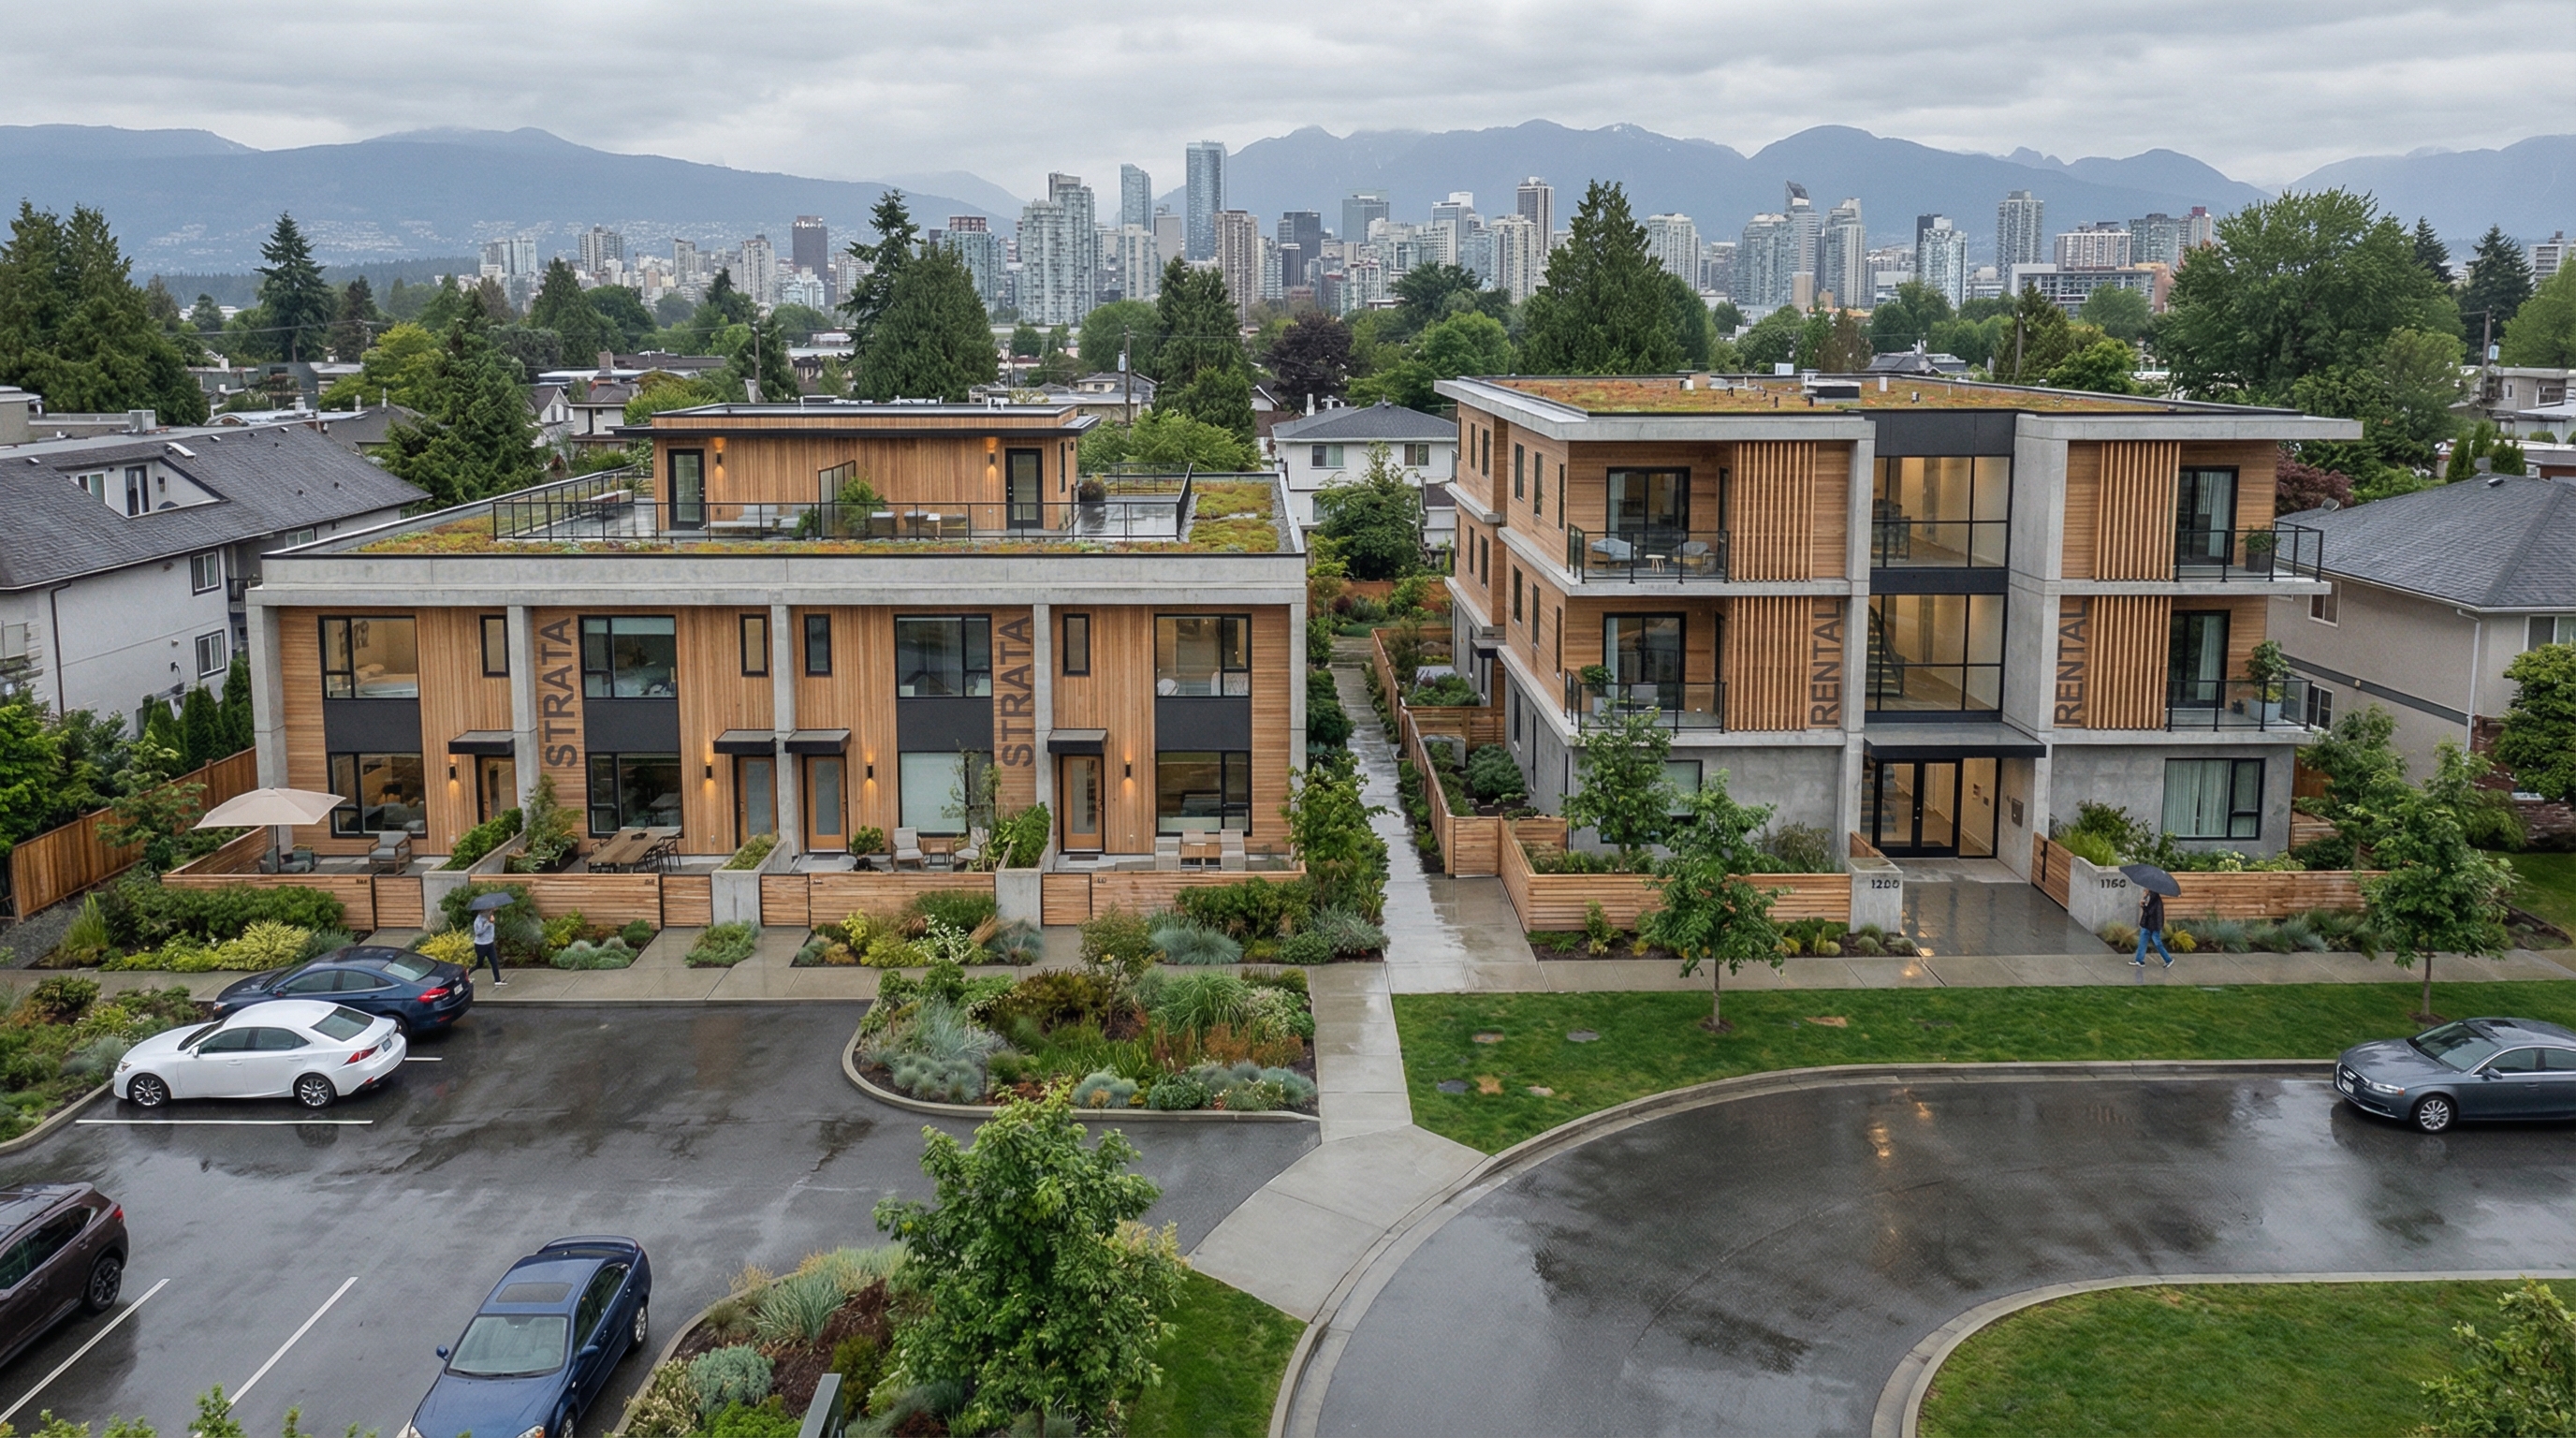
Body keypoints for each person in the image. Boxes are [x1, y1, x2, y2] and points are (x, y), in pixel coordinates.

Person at [2133, 887, 2173, 968]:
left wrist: (2142, 905)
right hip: (2148, 924)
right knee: (2142, 940)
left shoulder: (2154, 898)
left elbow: (2149, 910)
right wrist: (2144, 899)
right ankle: (2139, 960)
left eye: (2146, 889)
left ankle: (2168, 959)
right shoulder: (2149, 896)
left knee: (2157, 942)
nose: (2145, 890)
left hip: (2155, 925)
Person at [472, 905, 505, 986]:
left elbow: (491, 929)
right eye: (489, 911)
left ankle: (497, 980)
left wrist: (492, 921)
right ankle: (467, 973)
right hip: (481, 945)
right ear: (484, 911)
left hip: (490, 944)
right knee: (479, 964)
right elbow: (478, 932)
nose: (491, 912)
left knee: (494, 962)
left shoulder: (489, 917)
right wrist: (488, 923)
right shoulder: (478, 920)